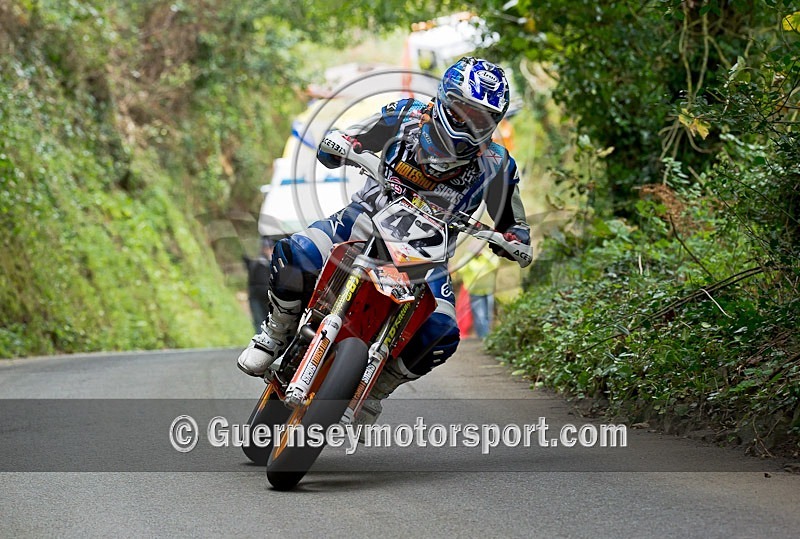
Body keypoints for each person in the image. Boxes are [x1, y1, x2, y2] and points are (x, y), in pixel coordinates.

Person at [237, 57, 531, 423]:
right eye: (464, 110)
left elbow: (513, 224)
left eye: (482, 118)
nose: (470, 124)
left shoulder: (498, 163)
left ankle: (375, 390)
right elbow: (349, 138)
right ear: (444, 99)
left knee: (442, 330)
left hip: (427, 256)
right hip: (364, 219)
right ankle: (276, 332)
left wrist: (514, 239)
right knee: (297, 253)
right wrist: (340, 144)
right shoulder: (404, 115)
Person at [455, 247, 500, 339]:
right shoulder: (470, 261)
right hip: (475, 293)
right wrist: (469, 254)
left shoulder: (486, 260)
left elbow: (496, 263)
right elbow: (460, 268)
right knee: (480, 317)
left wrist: (485, 253)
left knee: (488, 316)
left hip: (488, 291)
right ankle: (483, 337)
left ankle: (487, 336)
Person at [241, 238, 273, 333]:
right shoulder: (258, 263)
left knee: (267, 322)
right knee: (259, 322)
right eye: (267, 248)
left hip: (266, 298)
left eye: (270, 248)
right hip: (256, 297)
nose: (268, 251)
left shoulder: (270, 264)